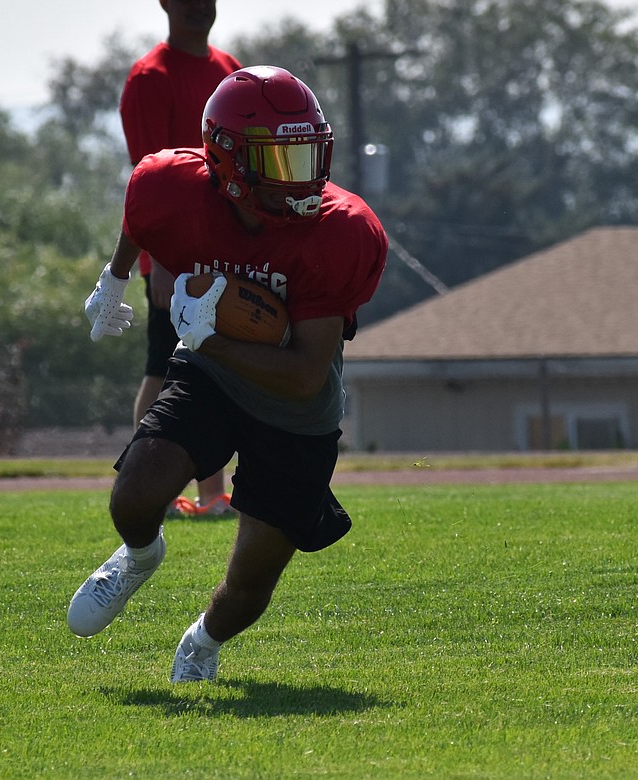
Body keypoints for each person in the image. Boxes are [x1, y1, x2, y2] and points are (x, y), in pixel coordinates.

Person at [68, 66, 388, 683]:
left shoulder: (339, 230)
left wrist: (205, 335)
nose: (303, 179)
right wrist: (113, 278)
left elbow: (302, 375)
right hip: (212, 377)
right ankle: (139, 555)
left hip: (295, 407)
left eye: (307, 155)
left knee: (248, 586)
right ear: (228, 163)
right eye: (281, 160)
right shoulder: (174, 186)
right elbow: (142, 215)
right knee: (135, 492)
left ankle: (202, 643)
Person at [120, 0, 241, 516]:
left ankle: (213, 495)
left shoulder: (229, 70)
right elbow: (150, 179)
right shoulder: (150, 77)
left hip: (222, 250)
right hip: (173, 252)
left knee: (209, 367)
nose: (198, 6)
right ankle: (153, 487)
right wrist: (162, 262)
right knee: (163, 366)